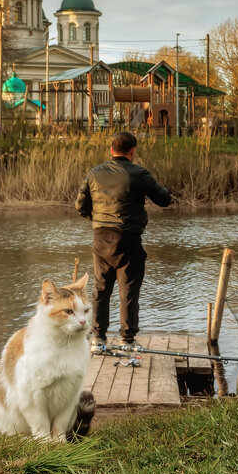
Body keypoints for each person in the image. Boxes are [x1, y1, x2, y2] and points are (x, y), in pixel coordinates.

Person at [75, 130, 172, 351]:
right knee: (128, 290)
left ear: (111, 150)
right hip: (128, 238)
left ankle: (98, 339)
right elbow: (164, 199)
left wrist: (97, 219)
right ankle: (127, 340)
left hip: (101, 238)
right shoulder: (139, 173)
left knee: (101, 289)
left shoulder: (94, 173)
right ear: (132, 151)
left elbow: (80, 206)